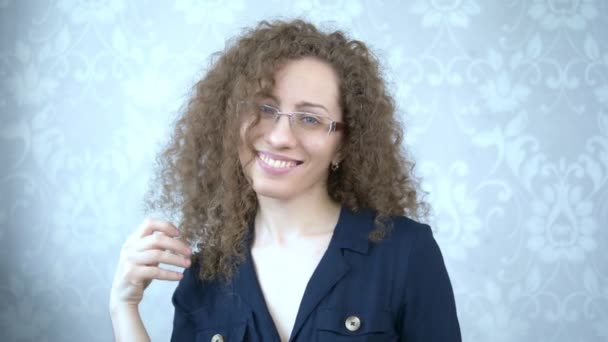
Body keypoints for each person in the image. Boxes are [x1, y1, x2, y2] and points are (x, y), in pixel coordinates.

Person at [110, 19, 461, 341]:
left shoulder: (406, 252)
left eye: (309, 119)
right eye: (264, 109)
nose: (279, 137)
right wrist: (124, 308)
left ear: (344, 146)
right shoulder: (205, 275)